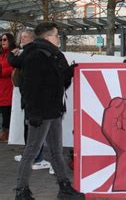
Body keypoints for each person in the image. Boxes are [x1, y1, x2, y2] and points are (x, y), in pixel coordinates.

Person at [14, 22, 84, 200]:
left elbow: (58, 82)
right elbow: (30, 86)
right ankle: (21, 191)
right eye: (55, 35)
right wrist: (34, 112)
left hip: (53, 110)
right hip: (41, 112)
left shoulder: (53, 54)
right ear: (47, 37)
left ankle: (64, 187)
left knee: (56, 151)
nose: (58, 37)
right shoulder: (36, 55)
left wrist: (70, 72)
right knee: (31, 150)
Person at [8, 29, 51, 172]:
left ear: (32, 39)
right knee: (30, 128)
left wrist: (10, 54)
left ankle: (36, 158)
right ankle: (32, 156)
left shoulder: (30, 52)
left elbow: (15, 62)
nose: (23, 39)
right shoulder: (28, 51)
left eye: (26, 37)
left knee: (35, 129)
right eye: (21, 37)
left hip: (33, 98)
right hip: (29, 96)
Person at [0, 32, 15, 142]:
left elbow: (14, 68)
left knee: (6, 111)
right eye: (1, 40)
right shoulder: (1, 54)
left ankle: (6, 133)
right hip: (1, 88)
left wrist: (1, 71)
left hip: (8, 88)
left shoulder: (13, 53)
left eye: (5, 39)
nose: (2, 42)